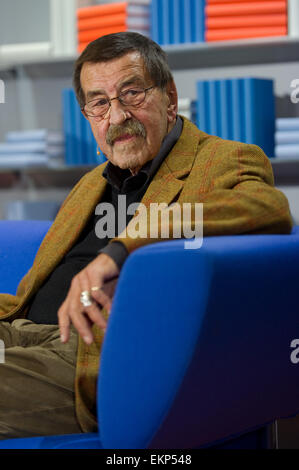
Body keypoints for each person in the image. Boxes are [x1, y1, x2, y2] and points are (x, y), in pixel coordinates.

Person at [0, 32, 293, 439]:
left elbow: (268, 209)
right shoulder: (89, 183)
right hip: (20, 326)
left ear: (169, 98)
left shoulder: (224, 158)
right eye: (99, 103)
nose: (116, 116)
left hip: (91, 352)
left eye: (132, 93)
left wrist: (123, 249)